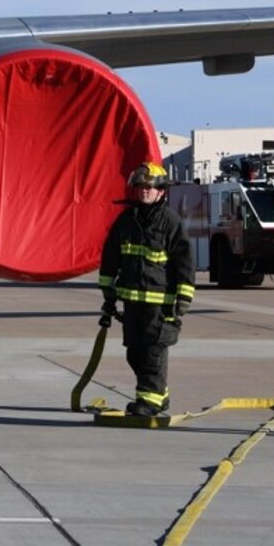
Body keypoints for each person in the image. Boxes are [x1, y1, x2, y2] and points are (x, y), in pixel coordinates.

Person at [97, 161, 195, 418]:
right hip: (132, 303)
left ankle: (148, 402)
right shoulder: (126, 221)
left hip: (160, 303)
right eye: (140, 187)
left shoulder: (170, 222)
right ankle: (159, 395)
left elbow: (184, 262)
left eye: (149, 187)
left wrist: (184, 297)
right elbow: (110, 257)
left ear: (161, 191)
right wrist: (108, 293)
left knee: (153, 351)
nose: (143, 191)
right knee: (134, 352)